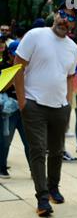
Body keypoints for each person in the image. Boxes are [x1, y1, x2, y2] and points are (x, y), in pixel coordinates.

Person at [14, 2, 77, 217]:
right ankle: (42, 198)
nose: (64, 20)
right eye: (62, 14)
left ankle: (53, 188)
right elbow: (18, 67)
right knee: (38, 151)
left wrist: (68, 103)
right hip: (33, 104)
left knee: (57, 151)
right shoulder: (35, 35)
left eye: (70, 17)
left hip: (59, 107)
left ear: (73, 24)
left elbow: (70, 77)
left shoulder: (73, 48)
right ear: (54, 14)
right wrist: (22, 101)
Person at [0, 40, 31, 179]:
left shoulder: (30, 68)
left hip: (25, 108)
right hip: (9, 110)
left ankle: (34, 170)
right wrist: (14, 78)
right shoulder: (4, 67)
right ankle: (2, 168)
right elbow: (1, 88)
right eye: (14, 54)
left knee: (30, 141)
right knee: (5, 140)